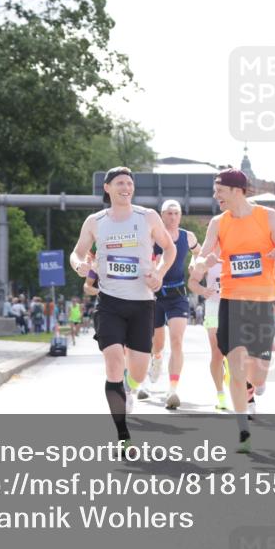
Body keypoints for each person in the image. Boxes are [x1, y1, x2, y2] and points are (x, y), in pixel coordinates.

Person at [190, 168, 275, 453]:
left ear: (236, 190)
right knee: (235, 367)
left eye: (219, 191)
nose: (216, 196)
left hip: (261, 302)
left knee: (257, 374)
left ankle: (254, 387)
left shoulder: (267, 216)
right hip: (232, 300)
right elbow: (201, 259)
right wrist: (201, 264)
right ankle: (243, 430)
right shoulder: (218, 222)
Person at [70, 167, 175, 450]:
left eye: (129, 183)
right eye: (120, 183)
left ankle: (131, 387)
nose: (126, 188)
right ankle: (123, 434)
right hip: (110, 302)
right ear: (107, 188)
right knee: (114, 362)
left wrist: (160, 273)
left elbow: (169, 248)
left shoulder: (148, 217)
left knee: (137, 373)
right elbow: (78, 252)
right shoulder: (95, 221)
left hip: (142, 303)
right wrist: (78, 264)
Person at [145, 200, 201, 409]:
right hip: (155, 294)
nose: (173, 217)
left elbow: (199, 253)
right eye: (168, 213)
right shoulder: (153, 236)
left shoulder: (188, 236)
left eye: (176, 213)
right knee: (157, 344)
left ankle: (172, 389)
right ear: (161, 215)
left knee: (177, 340)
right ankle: (156, 358)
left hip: (178, 294)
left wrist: (195, 264)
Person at [188, 258, 231, 411]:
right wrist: (203, 290)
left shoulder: (235, 247)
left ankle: (229, 367)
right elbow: (192, 281)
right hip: (214, 307)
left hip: (235, 306)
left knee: (234, 352)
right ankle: (221, 395)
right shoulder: (207, 254)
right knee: (217, 353)